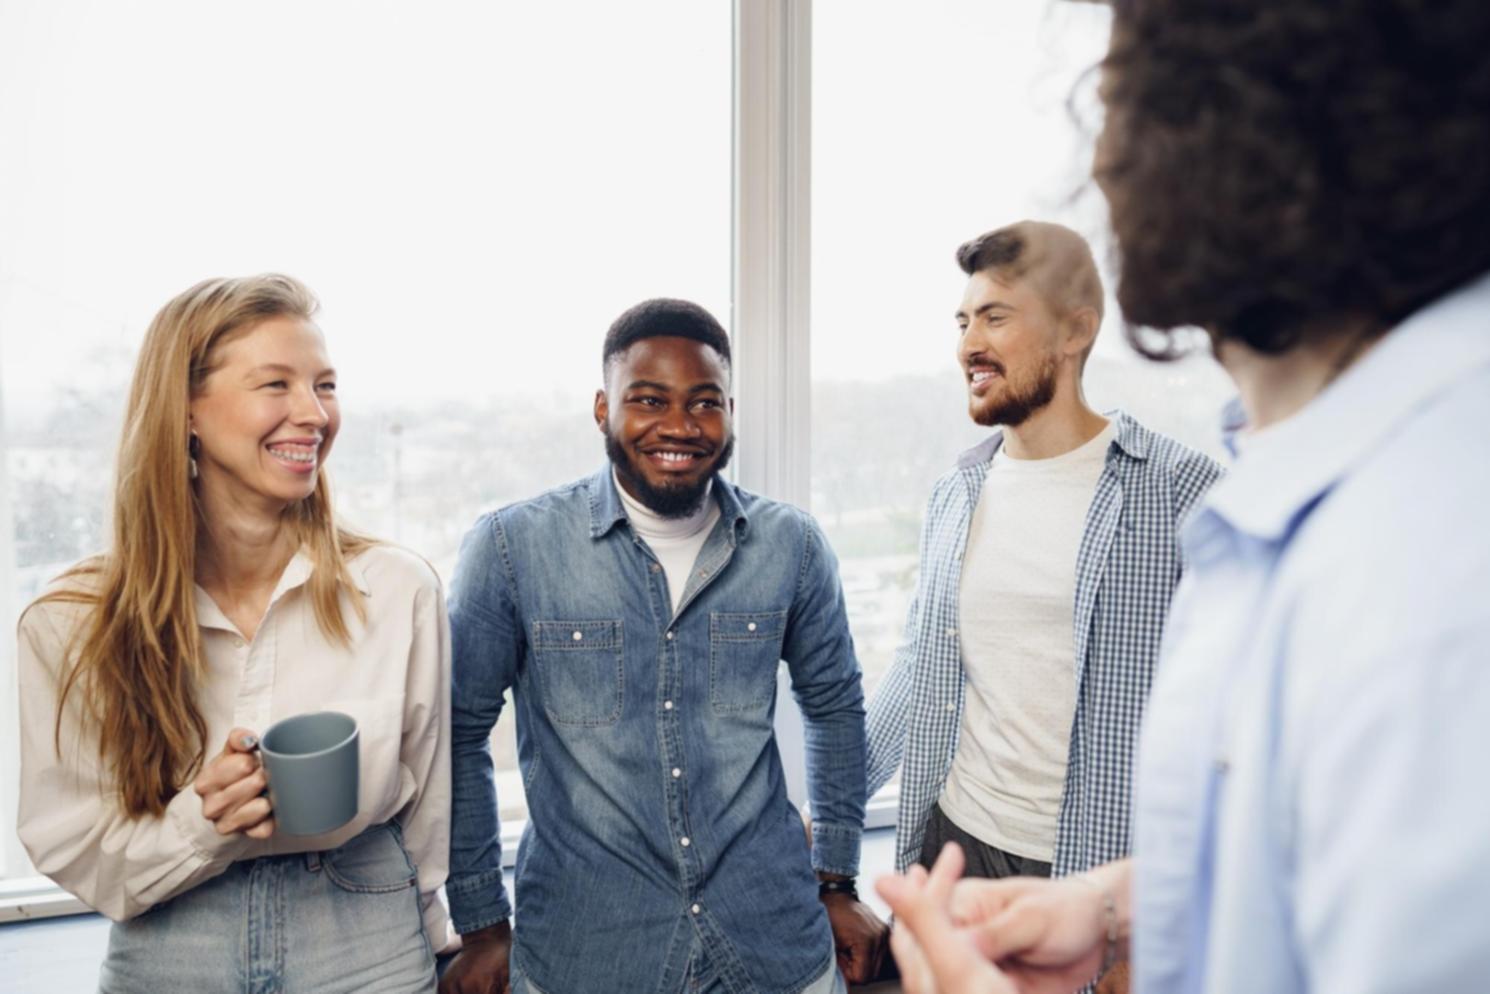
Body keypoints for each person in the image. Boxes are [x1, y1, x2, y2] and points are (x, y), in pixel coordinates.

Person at [876, 2, 1490, 993]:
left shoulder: (1418, 565)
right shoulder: (1293, 499)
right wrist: (1120, 908)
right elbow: (1293, 844)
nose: (1104, 146)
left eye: (1123, 92)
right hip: (977, 848)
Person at [16, 274, 453, 993]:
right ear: (186, 409)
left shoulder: (397, 589)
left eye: (326, 385)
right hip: (172, 940)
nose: (313, 414)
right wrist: (201, 825)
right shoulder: (70, 622)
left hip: (365, 938)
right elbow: (77, 850)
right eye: (275, 385)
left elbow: (429, 812)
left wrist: (445, 944)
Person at [439, 298, 885, 994]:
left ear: (730, 411)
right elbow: (459, 734)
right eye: (649, 400)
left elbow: (834, 707)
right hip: (588, 953)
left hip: (771, 944)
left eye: (705, 403)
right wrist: (482, 923)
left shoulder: (792, 545)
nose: (679, 426)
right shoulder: (510, 548)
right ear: (602, 408)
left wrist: (837, 879)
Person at [864, 221, 1219, 981]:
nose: (967, 344)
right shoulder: (956, 493)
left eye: (995, 316)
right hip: (954, 849)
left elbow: (1222, 719)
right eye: (962, 322)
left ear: (1074, 330)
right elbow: (920, 668)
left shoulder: (1182, 492)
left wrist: (1141, 914)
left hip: (1094, 871)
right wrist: (825, 809)